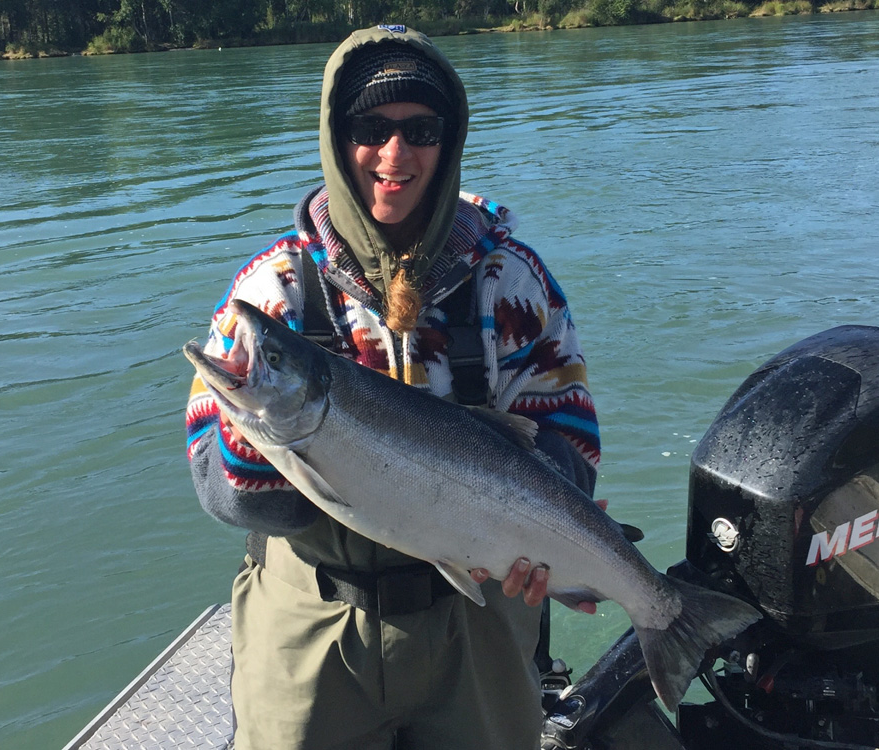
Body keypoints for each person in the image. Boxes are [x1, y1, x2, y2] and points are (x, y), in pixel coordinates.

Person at [185, 24, 600, 750]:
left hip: (481, 621)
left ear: (450, 140)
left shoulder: (514, 282)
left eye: (421, 129)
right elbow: (216, 493)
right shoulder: (272, 292)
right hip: (313, 622)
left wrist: (537, 537)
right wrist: (253, 431)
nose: (395, 154)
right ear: (336, 137)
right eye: (370, 128)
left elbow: (572, 442)